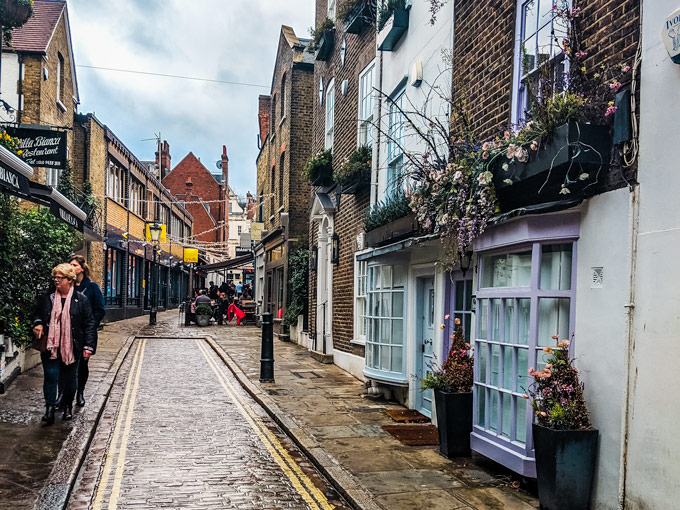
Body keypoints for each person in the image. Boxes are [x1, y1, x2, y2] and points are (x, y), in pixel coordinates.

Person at [32, 264, 95, 424]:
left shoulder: (81, 300)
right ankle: (50, 410)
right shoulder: (48, 297)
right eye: (55, 277)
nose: (56, 280)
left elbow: (89, 324)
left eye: (60, 277)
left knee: (70, 380)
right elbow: (37, 313)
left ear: (70, 280)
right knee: (51, 376)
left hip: (72, 346)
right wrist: (38, 323)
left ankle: (67, 405)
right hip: (51, 346)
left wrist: (89, 347)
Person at [70, 255, 105, 407]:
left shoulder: (92, 287)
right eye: (69, 264)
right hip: (69, 332)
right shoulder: (68, 286)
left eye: (74, 265)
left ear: (82, 268)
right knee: (67, 365)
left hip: (85, 333)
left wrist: (91, 326)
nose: (71, 267)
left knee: (82, 365)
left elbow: (99, 310)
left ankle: (80, 393)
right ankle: (64, 395)